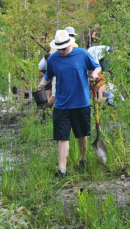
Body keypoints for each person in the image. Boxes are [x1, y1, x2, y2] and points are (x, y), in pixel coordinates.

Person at [38, 30, 101, 178]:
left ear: (69, 44)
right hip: (62, 104)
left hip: (81, 102)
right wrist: (41, 85)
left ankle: (83, 160)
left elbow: (96, 66)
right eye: (59, 48)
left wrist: (94, 74)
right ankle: (62, 170)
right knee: (62, 137)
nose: (62, 51)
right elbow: (47, 76)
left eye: (64, 48)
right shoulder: (53, 59)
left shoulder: (82, 54)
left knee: (82, 134)